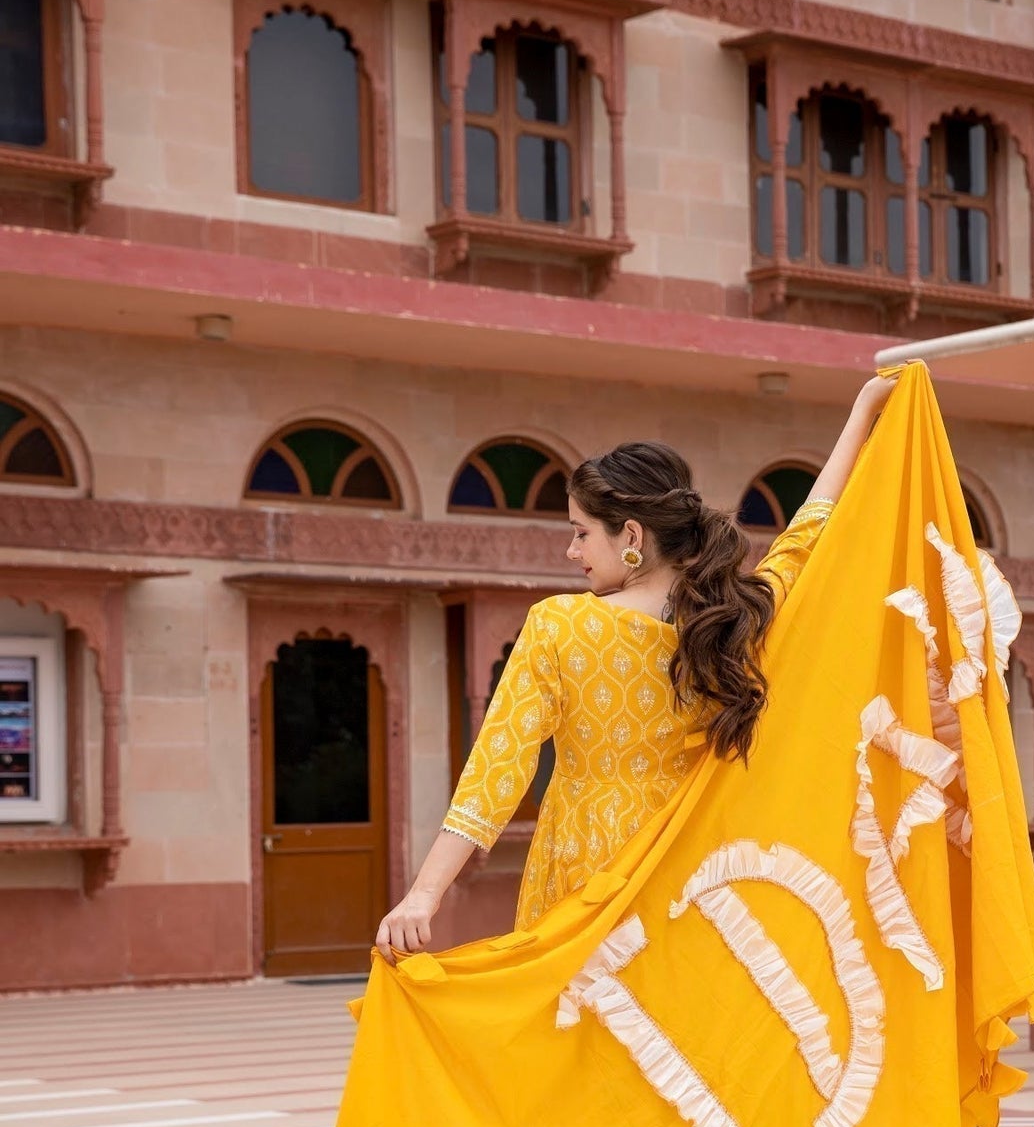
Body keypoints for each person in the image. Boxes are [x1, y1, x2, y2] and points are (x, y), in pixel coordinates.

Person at [375, 370, 899, 960]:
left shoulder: (561, 624)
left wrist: (423, 895)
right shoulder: (731, 623)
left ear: (630, 534)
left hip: (583, 882)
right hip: (690, 879)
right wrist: (863, 412)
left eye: (579, 533)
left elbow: (496, 772)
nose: (572, 552)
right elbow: (808, 533)